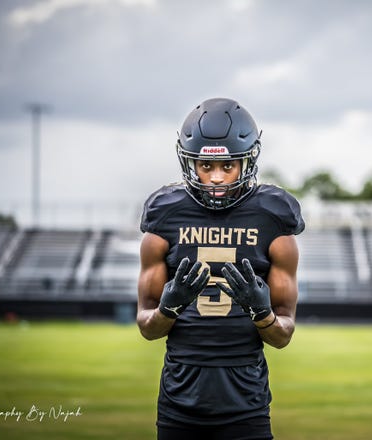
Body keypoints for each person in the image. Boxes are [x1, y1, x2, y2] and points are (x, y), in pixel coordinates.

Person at [137, 97, 305, 440]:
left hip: (246, 398)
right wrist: (169, 307)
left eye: (227, 166)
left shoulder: (272, 217)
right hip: (180, 395)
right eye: (205, 166)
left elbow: (283, 335)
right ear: (189, 163)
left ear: (247, 161)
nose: (215, 178)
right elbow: (148, 328)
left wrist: (262, 312)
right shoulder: (165, 214)